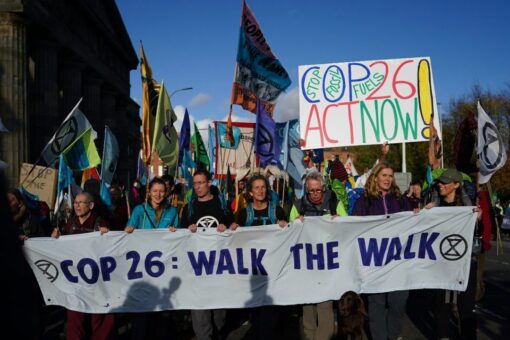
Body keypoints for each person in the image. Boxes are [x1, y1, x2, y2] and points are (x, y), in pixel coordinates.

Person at [352, 162, 412, 340]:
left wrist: (422, 214)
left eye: (390, 176)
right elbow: (353, 227)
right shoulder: (364, 201)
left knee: (398, 303)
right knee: (376, 305)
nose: (387, 179)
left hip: (397, 262)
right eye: (384, 175)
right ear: (375, 177)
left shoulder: (400, 200)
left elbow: (412, 223)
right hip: (374, 262)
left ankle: (393, 335)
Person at [289, 171, 347, 340]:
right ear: (306, 191)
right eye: (311, 191)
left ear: (323, 188)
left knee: (325, 308)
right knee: (308, 312)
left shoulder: (335, 202)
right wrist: (293, 224)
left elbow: (348, 227)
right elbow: (289, 235)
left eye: (318, 190)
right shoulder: (298, 206)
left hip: (327, 265)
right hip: (306, 266)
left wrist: (340, 221)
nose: (315, 194)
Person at [425, 168, 481, 340]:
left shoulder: (468, 207)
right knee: (442, 304)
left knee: (466, 306)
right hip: (442, 263)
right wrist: (424, 214)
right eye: (440, 182)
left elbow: (481, 233)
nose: (441, 185)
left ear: (456, 185)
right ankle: (443, 336)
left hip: (465, 262)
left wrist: (477, 219)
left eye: (445, 182)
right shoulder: (434, 205)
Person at [180, 169, 236, 340]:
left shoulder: (221, 205)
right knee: (199, 310)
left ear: (209, 183)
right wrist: (187, 230)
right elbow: (180, 235)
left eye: (201, 183)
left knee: (219, 315)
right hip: (197, 267)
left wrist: (229, 227)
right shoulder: (189, 207)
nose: (197, 187)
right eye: (195, 183)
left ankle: (218, 332)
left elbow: (233, 227)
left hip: (219, 266)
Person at [51, 192, 115, 340]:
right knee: (75, 317)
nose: (77, 206)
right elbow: (60, 249)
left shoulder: (101, 223)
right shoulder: (69, 224)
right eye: (75, 203)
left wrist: (106, 235)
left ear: (91, 205)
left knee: (98, 318)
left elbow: (110, 249)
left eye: (81, 203)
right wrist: (55, 238)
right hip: (76, 279)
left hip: (96, 280)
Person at [232, 174, 287, 339]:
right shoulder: (243, 213)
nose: (260, 190)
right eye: (256, 187)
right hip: (252, 269)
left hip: (273, 268)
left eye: (263, 187)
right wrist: (232, 228)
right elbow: (235, 240)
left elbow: (289, 235)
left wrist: (285, 226)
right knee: (256, 312)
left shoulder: (276, 210)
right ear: (250, 192)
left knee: (268, 312)